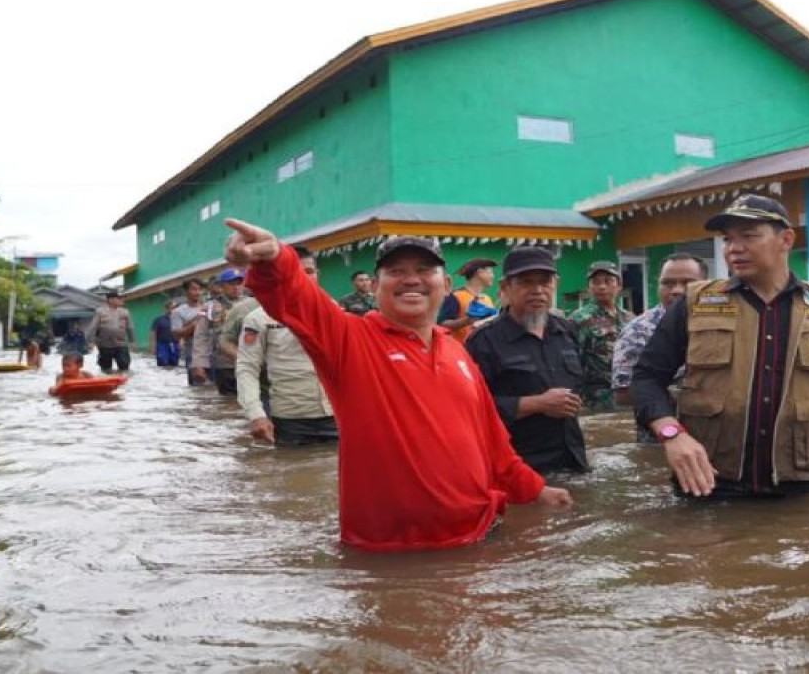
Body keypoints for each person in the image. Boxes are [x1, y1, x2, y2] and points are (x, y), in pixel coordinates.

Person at [222, 218, 572, 552]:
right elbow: (297, 299)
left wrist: (537, 491)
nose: (411, 280)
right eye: (396, 272)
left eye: (423, 271)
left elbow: (494, 446)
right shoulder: (349, 338)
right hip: (389, 551)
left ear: (446, 284)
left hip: (479, 538)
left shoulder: (457, 352)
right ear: (375, 286)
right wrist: (274, 259)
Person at [631, 193, 809, 498]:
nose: (734, 249)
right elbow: (646, 377)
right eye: (728, 239)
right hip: (709, 483)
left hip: (800, 484)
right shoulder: (696, 302)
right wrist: (671, 434)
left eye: (749, 236)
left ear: (786, 239)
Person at [465, 247, 590, 474]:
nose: (538, 291)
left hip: (573, 462)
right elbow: (469, 410)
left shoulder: (567, 331)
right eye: (526, 283)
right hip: (517, 470)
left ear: (556, 284)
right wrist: (536, 404)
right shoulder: (483, 341)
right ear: (505, 288)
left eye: (545, 282)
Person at [611, 253, 707, 441]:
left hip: (713, 435)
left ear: (706, 284)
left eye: (688, 283)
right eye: (668, 283)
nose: (677, 291)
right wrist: (688, 395)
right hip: (661, 437)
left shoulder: (720, 325)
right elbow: (623, 395)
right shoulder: (637, 331)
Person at [237, 303, 338, 447]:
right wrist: (256, 415)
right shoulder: (258, 318)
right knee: (292, 465)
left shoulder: (330, 309)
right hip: (291, 417)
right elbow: (247, 367)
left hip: (336, 413)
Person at [569, 260, 635, 412]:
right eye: (596, 282)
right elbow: (571, 362)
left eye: (608, 281)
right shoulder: (579, 319)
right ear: (589, 288)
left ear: (619, 286)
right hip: (594, 399)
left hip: (627, 395)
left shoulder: (630, 318)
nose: (602, 286)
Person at [192, 268, 247, 395]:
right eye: (231, 284)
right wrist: (199, 364)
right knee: (228, 403)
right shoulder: (210, 308)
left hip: (251, 362)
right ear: (222, 286)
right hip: (225, 365)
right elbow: (201, 335)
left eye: (239, 283)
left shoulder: (252, 304)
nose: (236, 287)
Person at [438, 257, 498, 342]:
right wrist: (467, 321)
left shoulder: (487, 298)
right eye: (491, 272)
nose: (493, 276)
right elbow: (442, 324)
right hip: (461, 351)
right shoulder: (456, 296)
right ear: (480, 273)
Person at [84, 291, 135, 373]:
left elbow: (130, 327)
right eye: (118, 298)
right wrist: (91, 342)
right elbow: (93, 327)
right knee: (105, 368)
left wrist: (132, 341)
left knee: (124, 367)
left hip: (121, 343)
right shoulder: (100, 311)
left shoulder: (125, 312)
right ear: (110, 300)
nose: (121, 300)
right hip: (105, 344)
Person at [171, 278, 207, 385]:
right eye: (194, 289)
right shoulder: (178, 312)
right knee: (197, 389)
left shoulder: (209, 307)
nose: (198, 292)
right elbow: (176, 335)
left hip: (213, 354)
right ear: (186, 292)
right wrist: (194, 325)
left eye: (200, 289)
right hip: (193, 355)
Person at [149, 300, 180, 367]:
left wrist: (182, 343)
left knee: (174, 364)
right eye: (170, 308)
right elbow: (153, 333)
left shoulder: (178, 319)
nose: (172, 310)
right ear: (166, 308)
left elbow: (182, 332)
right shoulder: (158, 320)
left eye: (174, 308)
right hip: (162, 345)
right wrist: (152, 346)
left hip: (175, 344)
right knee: (162, 364)